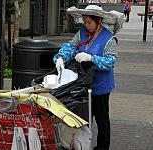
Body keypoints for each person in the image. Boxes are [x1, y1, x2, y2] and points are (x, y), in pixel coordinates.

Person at [53, 5, 124, 150]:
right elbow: (71, 47)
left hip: (101, 86)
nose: (86, 25)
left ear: (98, 21)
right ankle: (83, 145)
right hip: (84, 84)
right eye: (85, 22)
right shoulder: (82, 33)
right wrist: (60, 57)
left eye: (89, 22)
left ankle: (102, 147)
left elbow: (111, 61)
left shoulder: (108, 38)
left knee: (101, 118)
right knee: (85, 118)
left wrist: (91, 58)